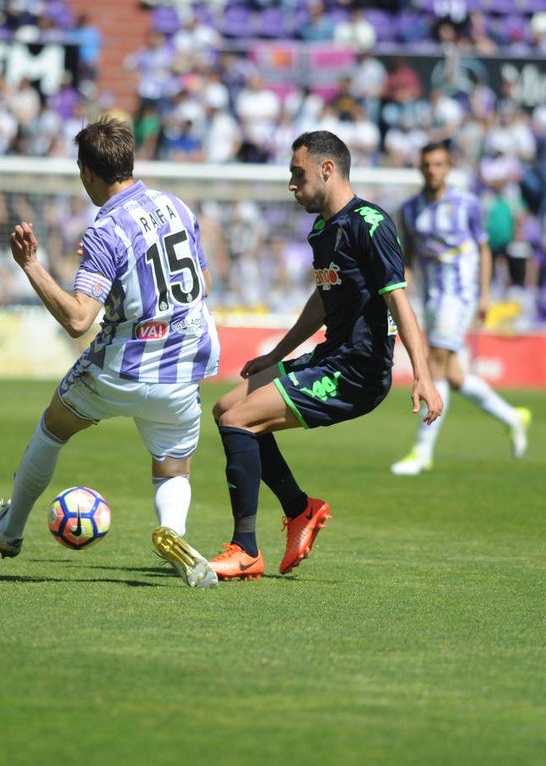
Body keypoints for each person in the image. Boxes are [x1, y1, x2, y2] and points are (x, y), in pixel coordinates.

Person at [0, 117, 222, 589]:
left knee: (53, 427)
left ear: (87, 172)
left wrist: (30, 265)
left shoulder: (107, 230)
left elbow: (79, 320)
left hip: (122, 366)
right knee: (173, 465)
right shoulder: (175, 205)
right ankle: (173, 532)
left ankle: (10, 527)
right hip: (183, 366)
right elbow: (203, 283)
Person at [206, 130, 443, 581]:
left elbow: (399, 301)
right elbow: (323, 298)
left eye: (298, 174)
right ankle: (300, 509)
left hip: (357, 371)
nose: (292, 184)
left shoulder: (370, 224)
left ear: (327, 169)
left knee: (240, 422)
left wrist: (423, 375)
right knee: (225, 409)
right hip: (329, 356)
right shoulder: (322, 230)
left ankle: (245, 550)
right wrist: (277, 353)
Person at [391, 141, 531, 477]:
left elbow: (484, 249)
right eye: (427, 165)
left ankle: (422, 452)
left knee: (435, 364)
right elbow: (408, 253)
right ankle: (513, 417)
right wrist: (404, 280)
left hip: (460, 293)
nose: (432, 170)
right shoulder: (409, 209)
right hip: (432, 295)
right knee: (453, 375)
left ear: (448, 168)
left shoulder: (466, 204)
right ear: (420, 168)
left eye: (438, 164)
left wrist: (485, 294)